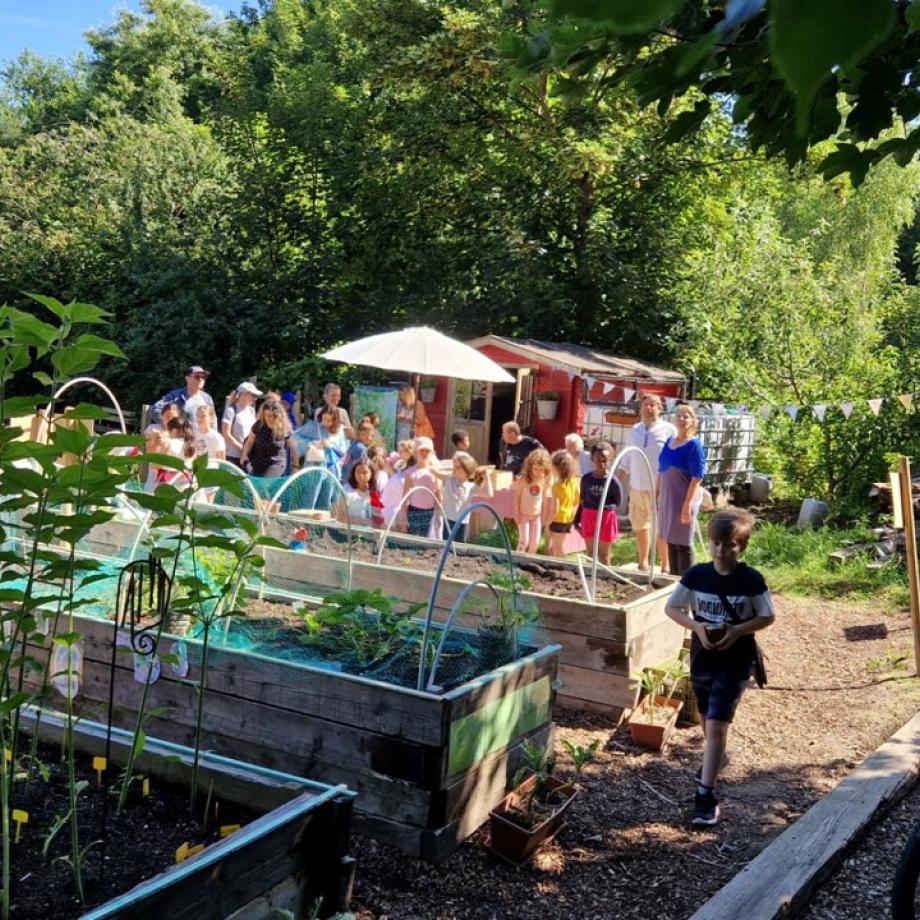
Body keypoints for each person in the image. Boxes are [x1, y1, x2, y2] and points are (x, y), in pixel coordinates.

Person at [664, 508, 775, 827]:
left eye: (729, 544)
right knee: (705, 713)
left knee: (716, 726)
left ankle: (705, 797)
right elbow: (672, 608)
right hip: (702, 655)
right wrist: (698, 628)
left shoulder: (751, 580)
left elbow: (767, 615)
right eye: (715, 542)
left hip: (736, 660)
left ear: (742, 546)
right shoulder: (696, 576)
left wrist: (737, 631)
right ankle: (719, 756)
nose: (721, 550)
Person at [618, 394, 676, 572]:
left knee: (661, 528)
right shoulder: (635, 429)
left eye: (653, 405)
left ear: (660, 409)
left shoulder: (669, 430)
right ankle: (643, 562)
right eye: (645, 405)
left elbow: (675, 459)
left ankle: (665, 565)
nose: (648, 408)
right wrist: (617, 481)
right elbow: (627, 457)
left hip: (659, 488)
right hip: (637, 486)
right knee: (640, 526)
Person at [658, 403, 707, 576]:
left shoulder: (694, 445)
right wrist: (657, 494)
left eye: (686, 416)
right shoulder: (669, 442)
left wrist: (687, 505)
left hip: (684, 498)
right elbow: (661, 470)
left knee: (683, 543)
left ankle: (687, 583)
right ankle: (674, 582)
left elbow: (697, 477)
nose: (681, 419)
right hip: (667, 498)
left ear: (693, 421)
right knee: (671, 540)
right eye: (679, 415)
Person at [578, 441, 621, 565]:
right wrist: (577, 520)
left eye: (605, 460)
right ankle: (590, 575)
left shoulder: (613, 481)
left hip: (606, 518)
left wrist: (606, 510)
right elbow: (582, 499)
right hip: (589, 517)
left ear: (610, 460)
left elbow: (618, 501)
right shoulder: (586, 479)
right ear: (592, 459)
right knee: (591, 554)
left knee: (604, 555)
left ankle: (606, 575)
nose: (602, 464)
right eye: (599, 460)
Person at [437, 452, 493, 543]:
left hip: (462, 522)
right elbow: (434, 472)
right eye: (454, 466)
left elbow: (489, 494)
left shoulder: (471, 486)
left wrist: (487, 476)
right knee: (446, 545)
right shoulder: (449, 479)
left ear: (467, 471)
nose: (454, 469)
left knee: (460, 546)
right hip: (448, 520)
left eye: (457, 467)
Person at [240, 399, 297, 478]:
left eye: (270, 416)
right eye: (265, 415)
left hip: (276, 463)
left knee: (264, 483)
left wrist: (296, 466)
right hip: (258, 462)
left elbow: (293, 447)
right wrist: (244, 454)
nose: (267, 418)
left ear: (277, 415)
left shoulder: (283, 427)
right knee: (252, 482)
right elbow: (249, 442)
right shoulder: (258, 425)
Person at [514, 448, 553, 554]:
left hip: (536, 516)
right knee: (524, 541)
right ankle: (517, 559)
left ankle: (529, 561)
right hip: (524, 515)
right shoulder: (524, 480)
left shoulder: (544, 481)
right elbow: (517, 496)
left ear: (546, 470)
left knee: (535, 543)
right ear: (530, 467)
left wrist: (544, 516)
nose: (538, 472)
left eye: (541, 470)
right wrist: (517, 513)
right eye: (535, 469)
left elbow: (545, 499)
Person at [149, 366, 215, 424]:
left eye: (203, 377)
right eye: (197, 377)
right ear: (187, 378)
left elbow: (213, 420)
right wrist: (171, 425)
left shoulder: (207, 399)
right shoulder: (175, 396)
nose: (201, 379)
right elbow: (155, 410)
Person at [546, 450, 581, 557]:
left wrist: (547, 523)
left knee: (557, 548)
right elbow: (577, 500)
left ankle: (564, 565)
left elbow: (555, 510)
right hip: (568, 518)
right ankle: (555, 563)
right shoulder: (574, 482)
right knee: (555, 547)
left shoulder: (556, 487)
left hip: (558, 520)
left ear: (556, 468)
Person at [403, 436, 440, 536]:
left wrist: (439, 514)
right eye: (421, 450)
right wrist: (404, 517)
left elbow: (438, 494)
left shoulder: (436, 473)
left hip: (429, 511)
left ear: (432, 453)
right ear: (415, 452)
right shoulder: (410, 473)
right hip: (413, 510)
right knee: (412, 537)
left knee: (426, 537)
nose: (424, 453)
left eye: (427, 451)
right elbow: (405, 497)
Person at [222, 382, 262, 468]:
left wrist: (248, 450)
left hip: (248, 456)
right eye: (253, 395)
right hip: (232, 456)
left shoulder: (251, 410)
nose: (255, 399)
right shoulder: (230, 411)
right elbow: (226, 435)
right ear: (244, 394)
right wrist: (242, 448)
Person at [381, 440, 415, 527]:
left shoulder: (414, 467)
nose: (399, 454)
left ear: (409, 451)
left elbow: (402, 482)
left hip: (398, 509)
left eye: (401, 451)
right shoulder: (401, 463)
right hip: (390, 506)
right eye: (399, 451)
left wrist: (391, 471)